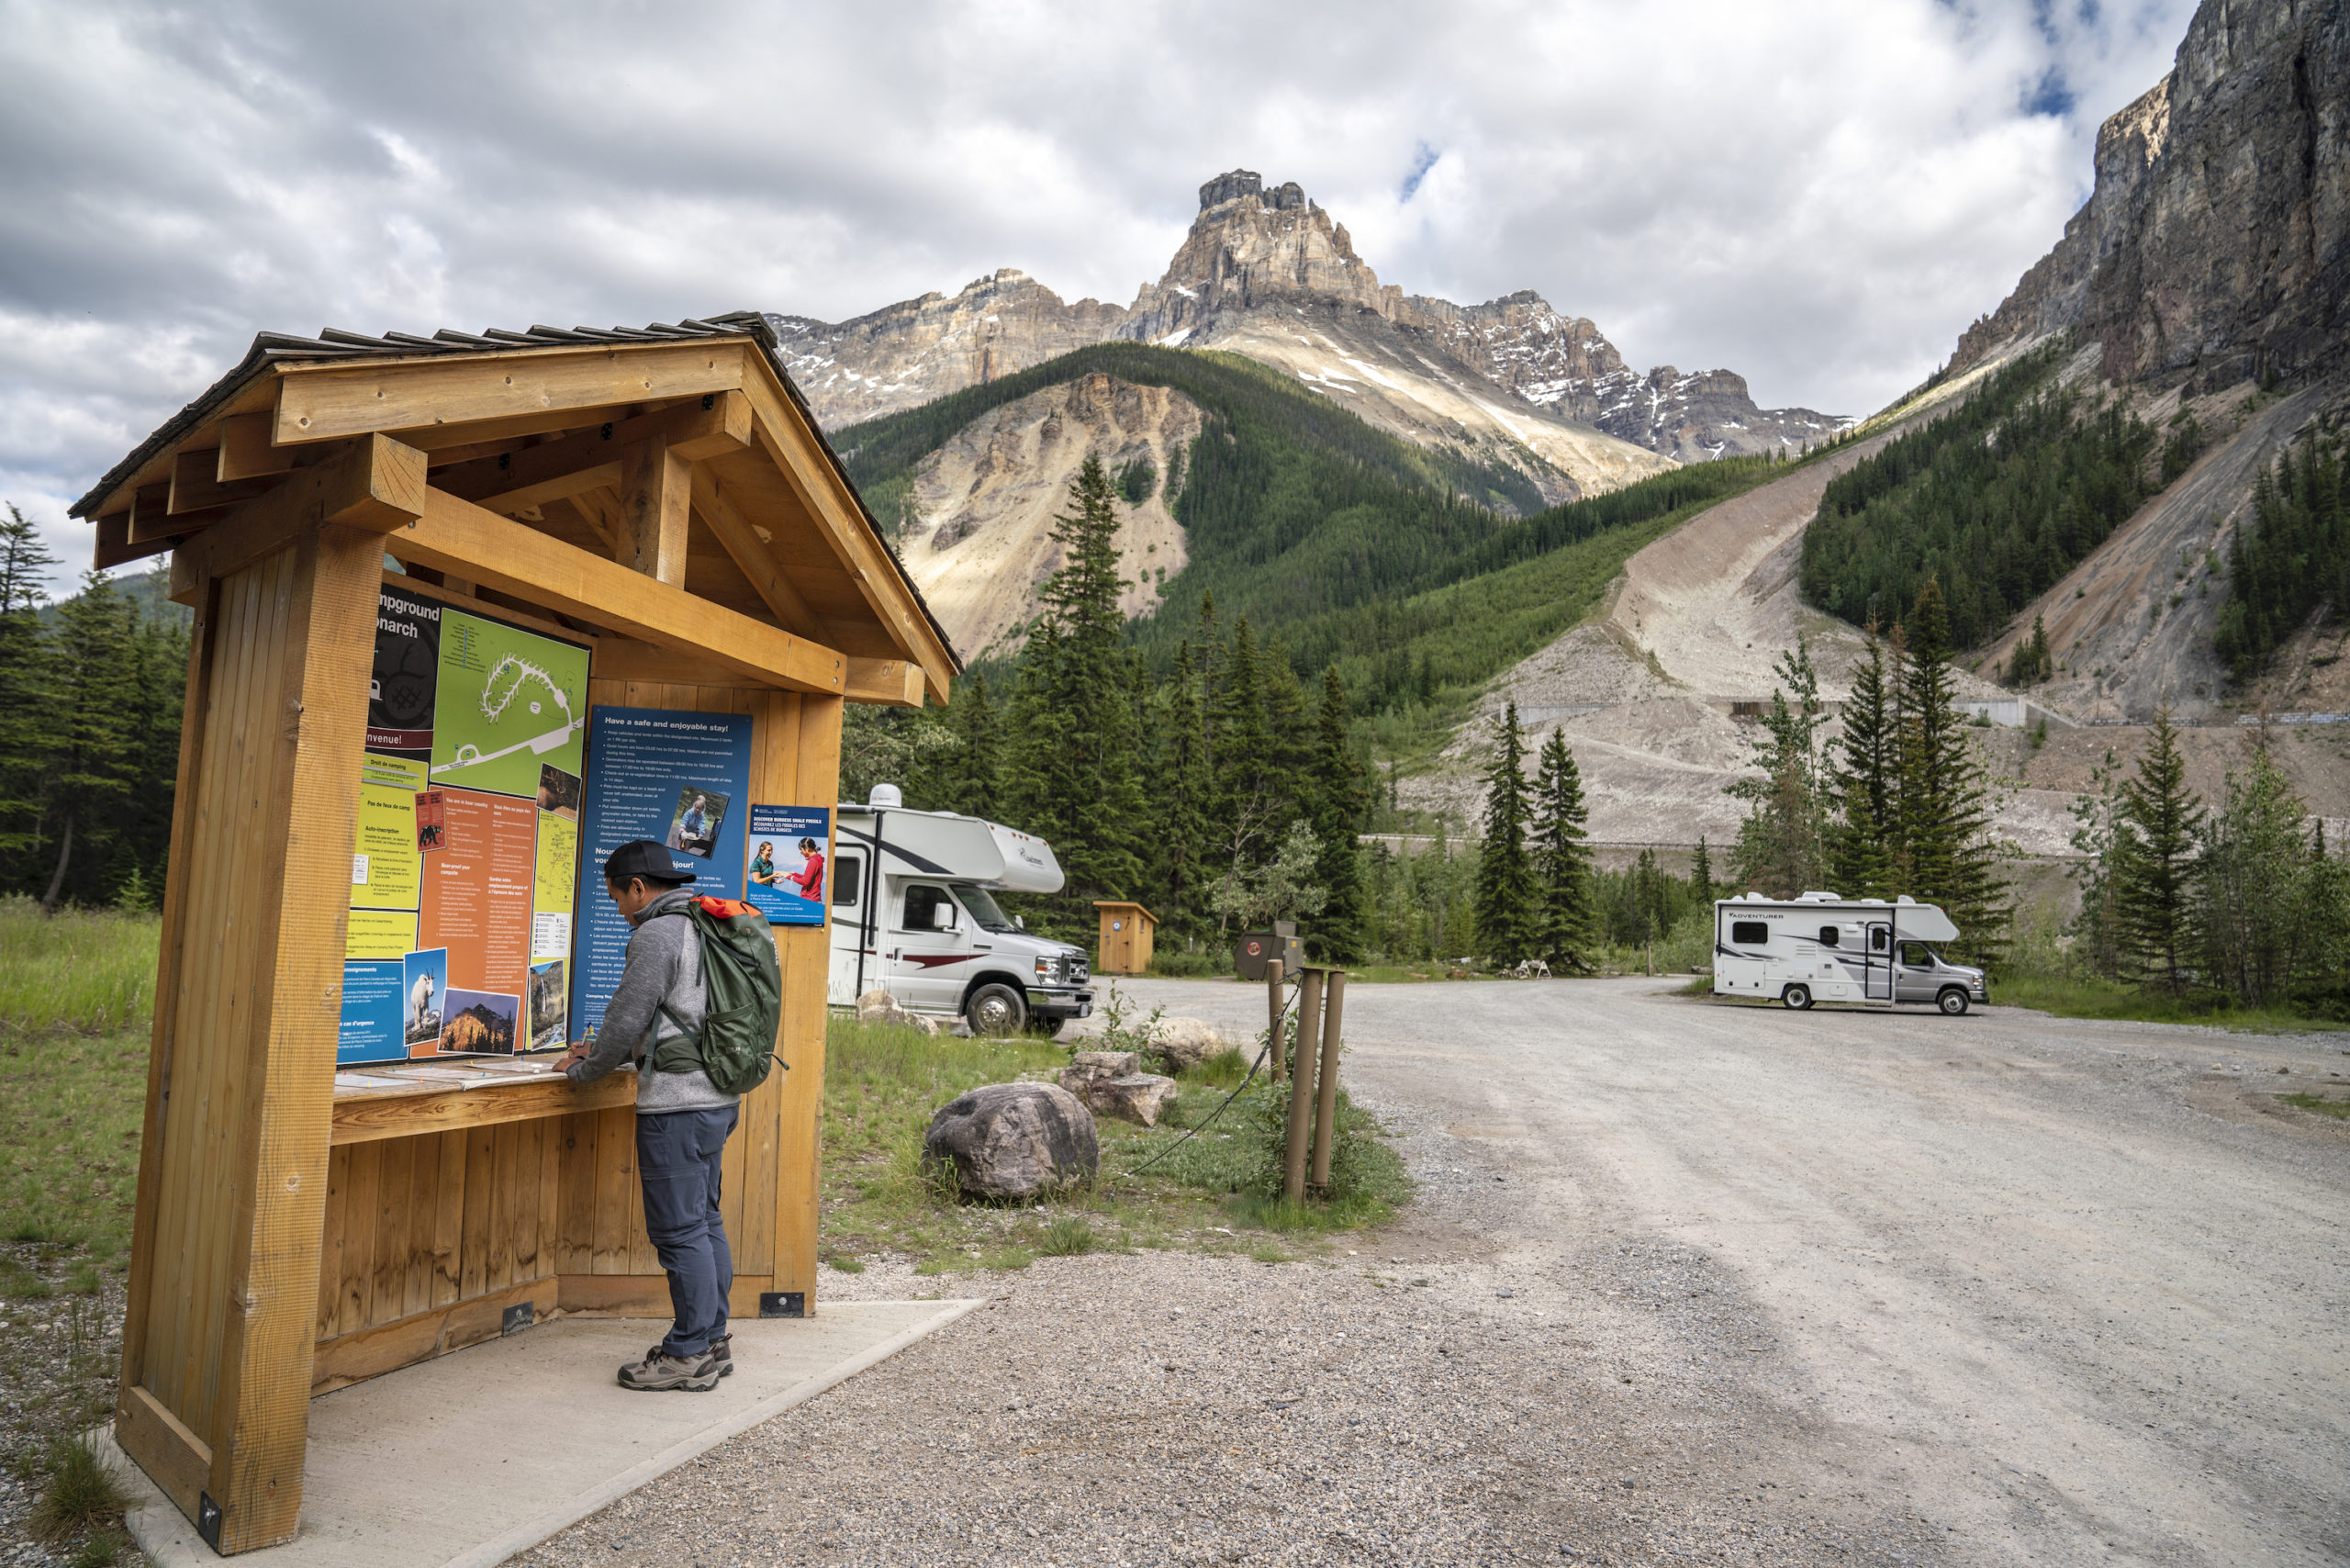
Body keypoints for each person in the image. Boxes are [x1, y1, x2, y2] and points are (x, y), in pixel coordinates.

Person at [554, 839, 739, 1392]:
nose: (617, 909)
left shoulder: (657, 932)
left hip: (676, 1106)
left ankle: (686, 1354)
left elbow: (626, 1016)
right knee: (704, 1222)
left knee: (680, 1232)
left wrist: (583, 1072)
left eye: (616, 897)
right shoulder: (707, 925)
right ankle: (712, 1341)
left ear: (638, 888)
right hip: (719, 1096)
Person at [786, 836, 824, 902]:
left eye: (801, 850)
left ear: (807, 848)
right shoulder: (818, 859)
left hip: (810, 899)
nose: (801, 852)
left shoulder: (813, 861)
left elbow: (805, 882)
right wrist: (795, 874)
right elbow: (809, 878)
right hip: (815, 899)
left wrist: (790, 877)